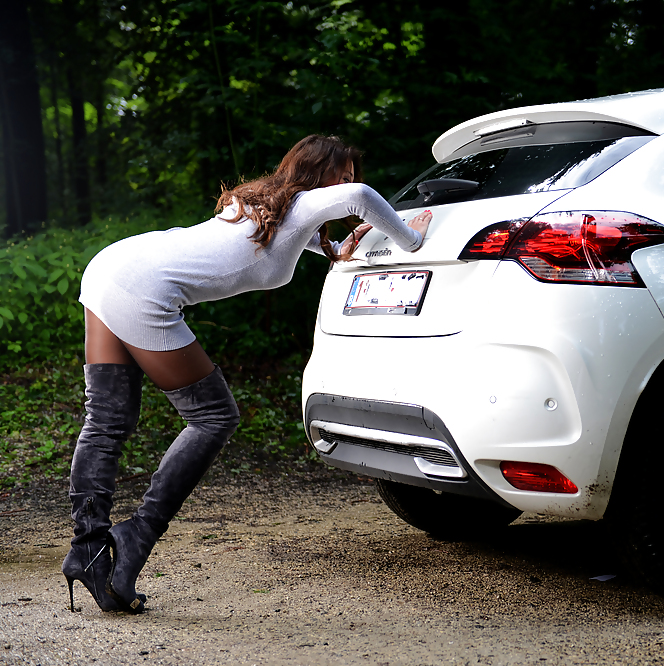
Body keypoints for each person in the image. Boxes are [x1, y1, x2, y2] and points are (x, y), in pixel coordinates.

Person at [61, 135, 432, 614]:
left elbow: (278, 243)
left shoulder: (261, 204)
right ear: (314, 171)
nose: (349, 182)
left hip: (113, 266)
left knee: (107, 419)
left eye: (353, 173)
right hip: (141, 288)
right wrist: (413, 240)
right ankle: (136, 535)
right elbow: (361, 200)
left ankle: (88, 548)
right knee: (213, 416)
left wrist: (336, 249)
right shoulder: (301, 203)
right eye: (341, 172)